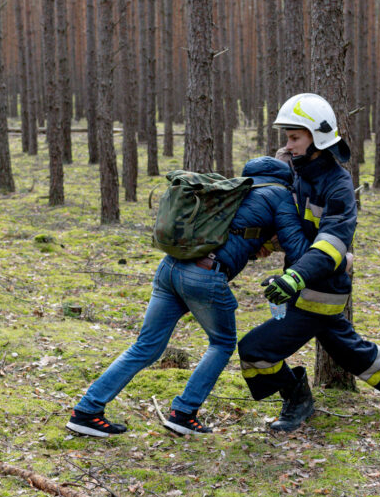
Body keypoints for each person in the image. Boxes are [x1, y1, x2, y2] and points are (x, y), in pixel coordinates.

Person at [237, 93, 380, 433]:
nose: (289, 145)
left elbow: (332, 244)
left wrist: (295, 278)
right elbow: (292, 226)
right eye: (288, 137)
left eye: (295, 137)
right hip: (307, 285)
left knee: (254, 350)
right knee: (356, 355)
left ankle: (298, 401)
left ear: (318, 137)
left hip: (321, 291)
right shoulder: (300, 175)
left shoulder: (338, 184)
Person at [67, 156, 309, 438]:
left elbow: (236, 233)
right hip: (204, 275)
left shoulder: (238, 190)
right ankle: (184, 413)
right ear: (284, 178)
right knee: (222, 343)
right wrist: (324, 257)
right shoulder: (279, 194)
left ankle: (86, 411)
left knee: (145, 347)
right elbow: (296, 245)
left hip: (169, 268)